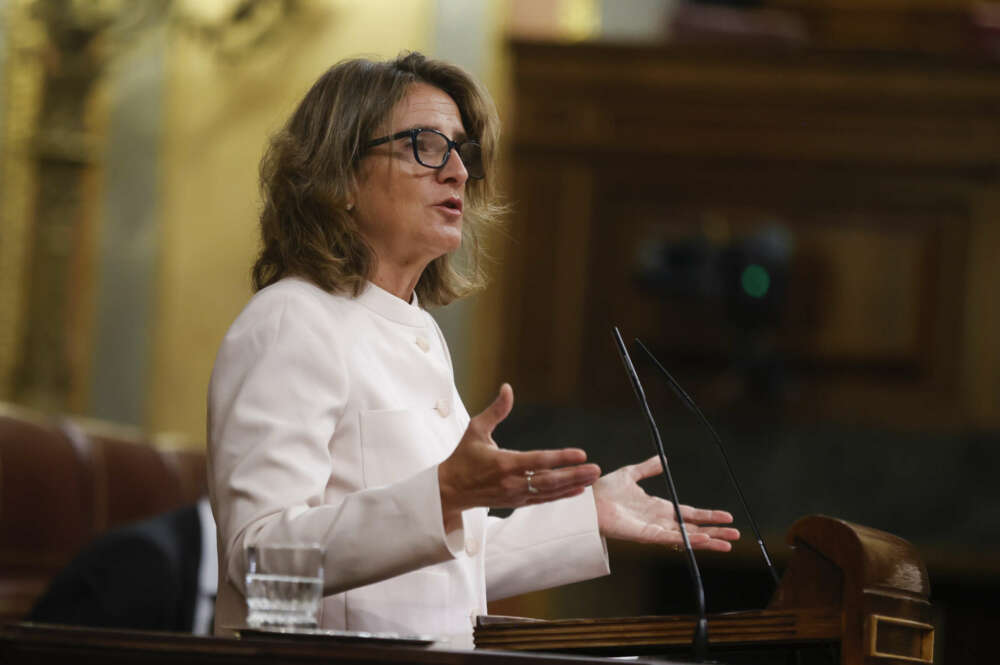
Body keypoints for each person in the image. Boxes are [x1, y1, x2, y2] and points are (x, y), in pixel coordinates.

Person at [207, 51, 739, 646]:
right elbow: (259, 562)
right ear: (342, 177)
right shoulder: (291, 321)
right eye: (425, 144)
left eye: (462, 150)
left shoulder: (419, 331)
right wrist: (443, 494)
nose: (458, 171)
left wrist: (588, 515)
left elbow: (438, 561)